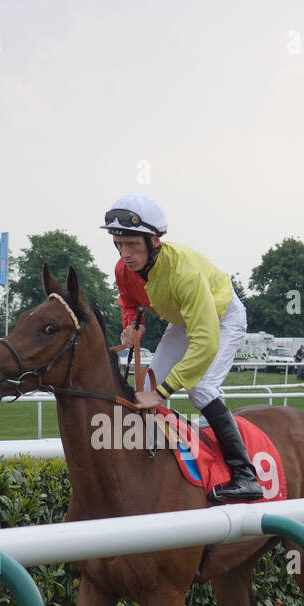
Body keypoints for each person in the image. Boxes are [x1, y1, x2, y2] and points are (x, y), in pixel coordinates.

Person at [102, 193, 262, 503]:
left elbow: (205, 342)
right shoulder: (123, 270)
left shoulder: (184, 273)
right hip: (184, 321)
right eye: (119, 244)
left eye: (132, 245)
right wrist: (132, 324)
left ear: (154, 242)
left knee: (200, 389)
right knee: (147, 381)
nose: (125, 254)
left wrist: (164, 393)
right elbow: (130, 301)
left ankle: (245, 475)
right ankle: (151, 461)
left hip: (222, 316)